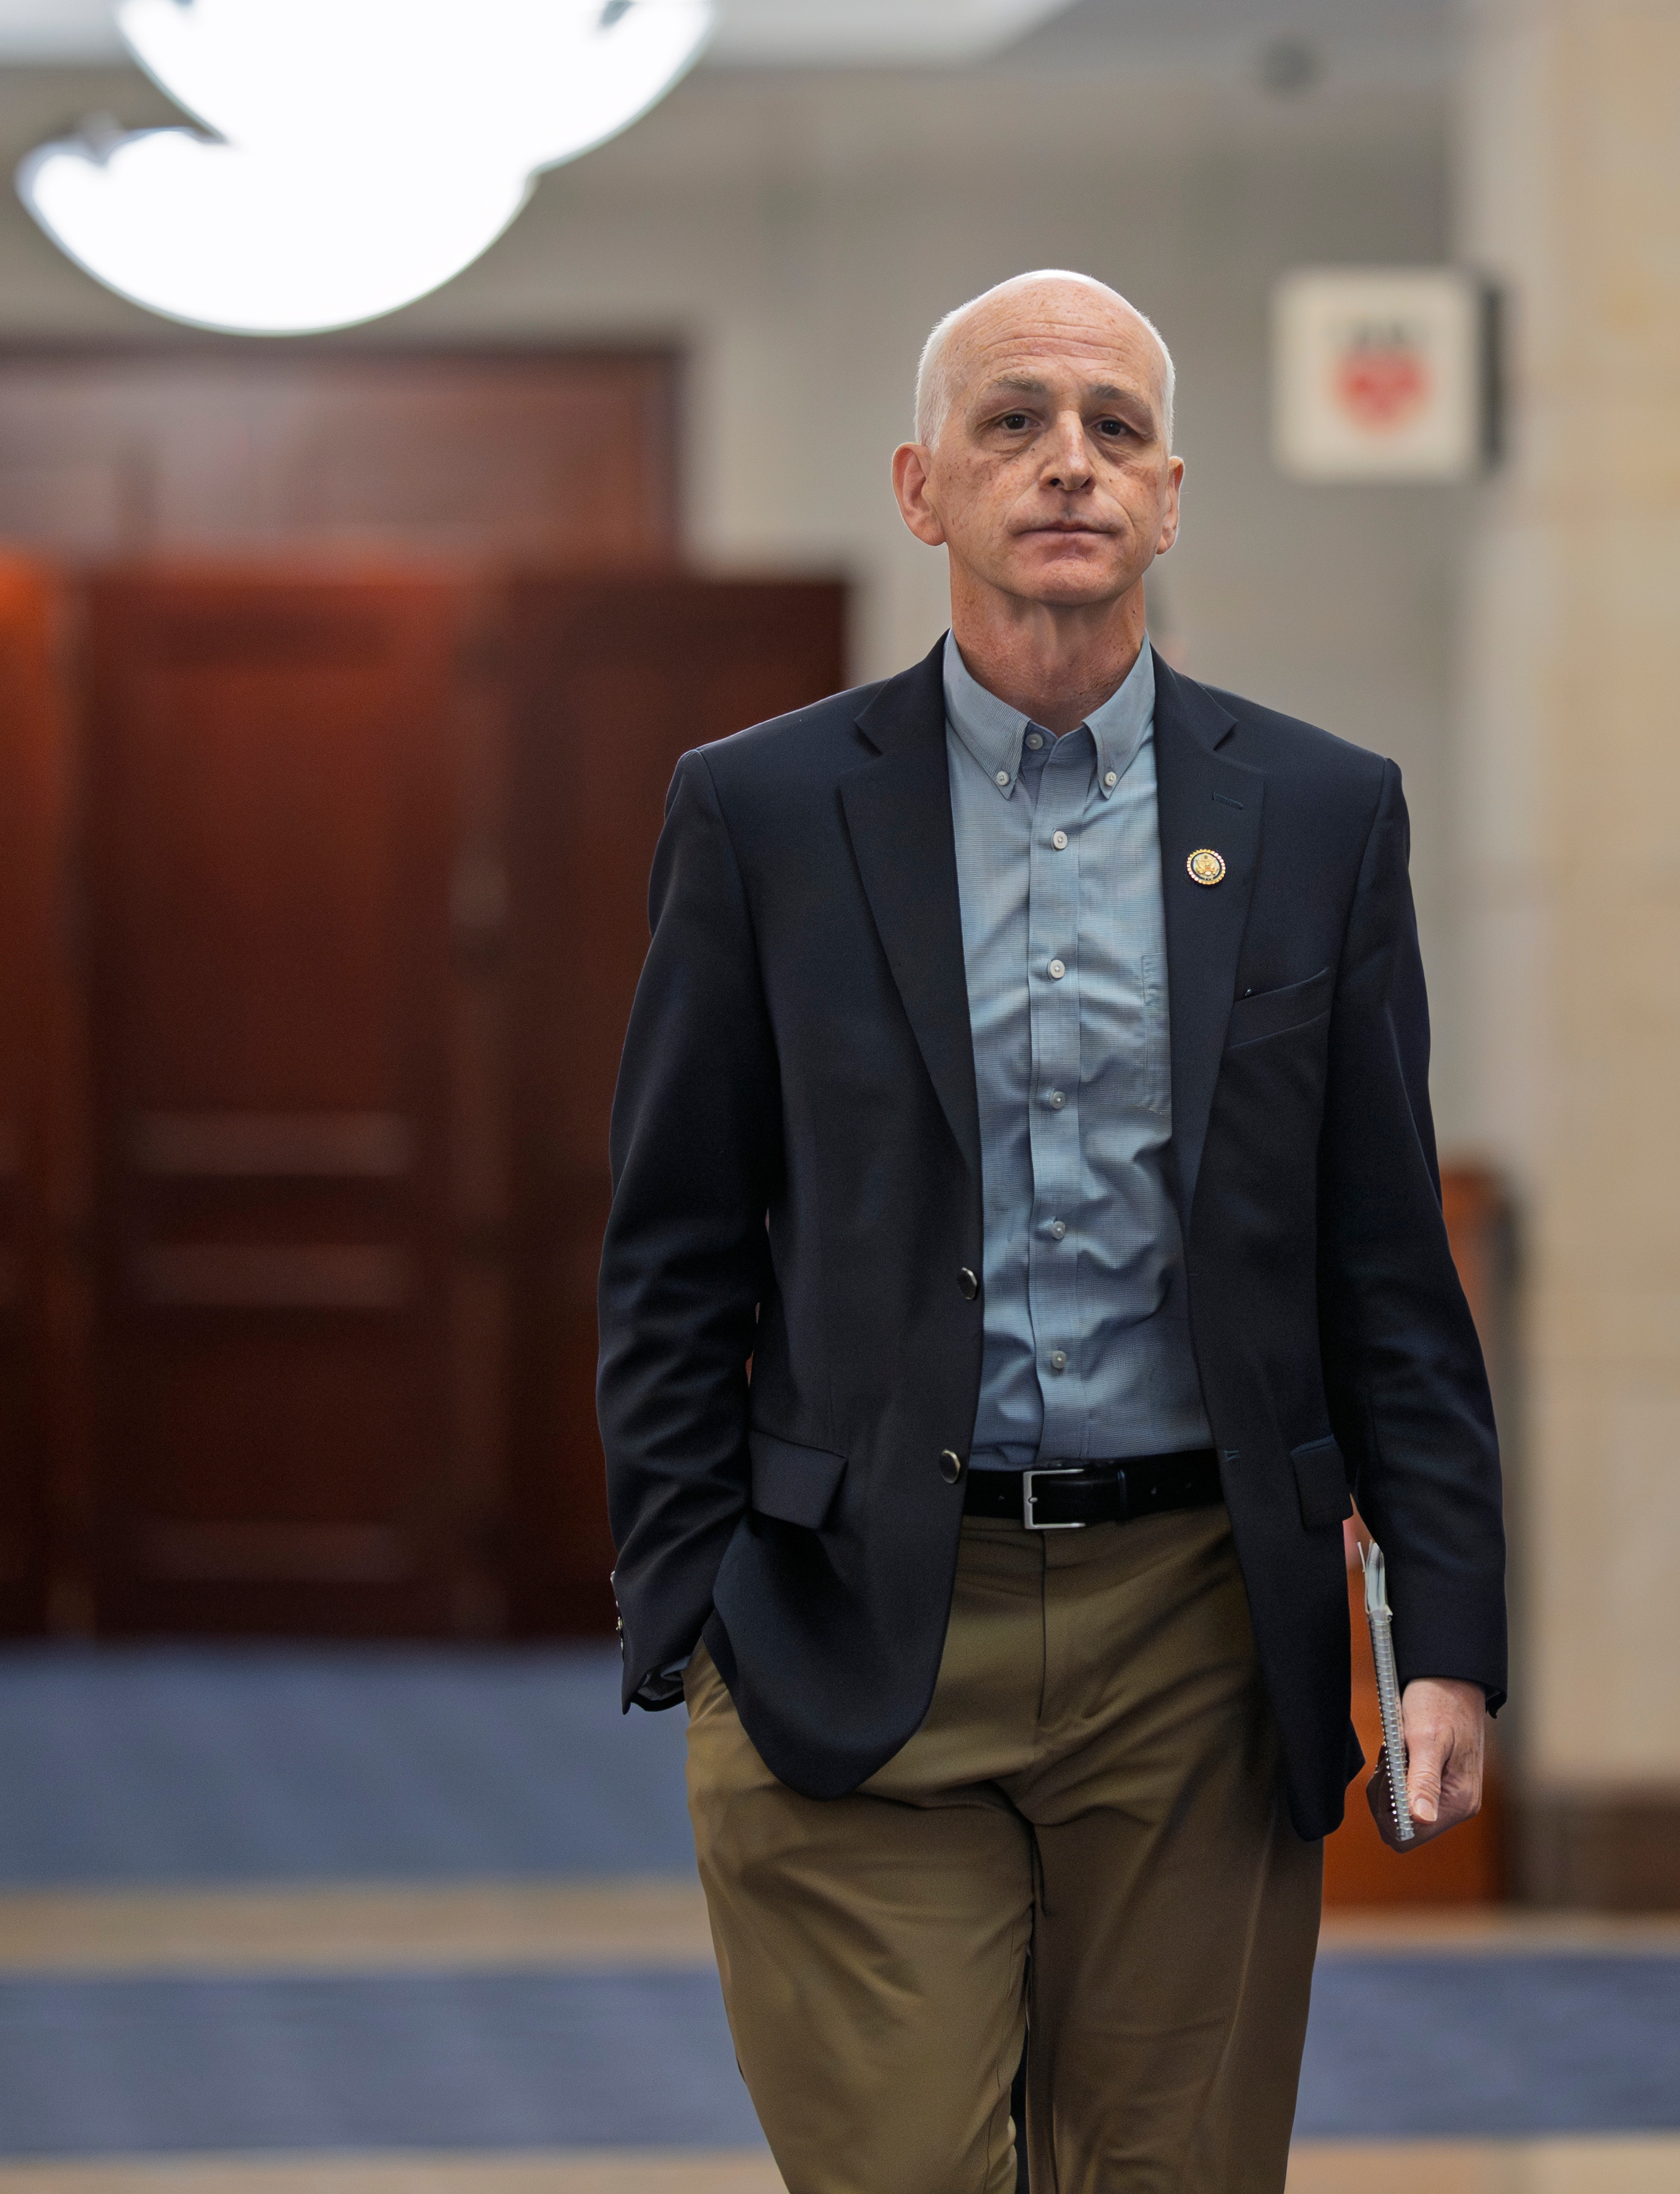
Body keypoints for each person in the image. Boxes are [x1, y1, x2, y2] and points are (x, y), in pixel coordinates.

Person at [598, 269, 1507, 2193]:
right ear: (923, 489)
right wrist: (686, 1598)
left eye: (1112, 428)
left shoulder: (1324, 818)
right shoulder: (761, 816)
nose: (1067, 463)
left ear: (1172, 496)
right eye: (1014, 423)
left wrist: (1452, 1639)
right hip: (854, 1617)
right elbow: (671, 1241)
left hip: (1194, 1621)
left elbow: (1384, 1269)